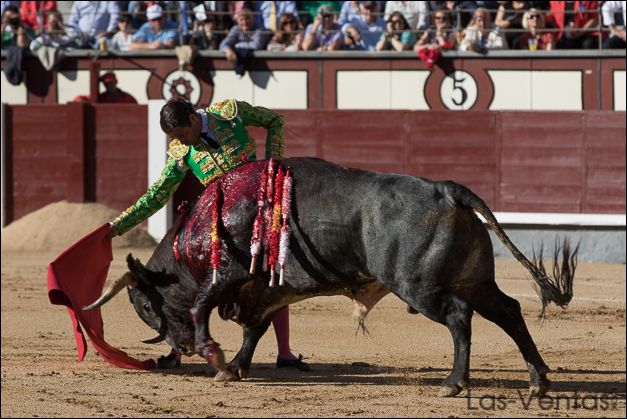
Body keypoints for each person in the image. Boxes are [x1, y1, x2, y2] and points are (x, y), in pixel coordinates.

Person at [109, 98, 310, 372]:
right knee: (189, 278)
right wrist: (119, 225)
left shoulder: (228, 114)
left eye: (182, 134)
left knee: (270, 276)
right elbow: (159, 192)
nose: (182, 142)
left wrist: (272, 164)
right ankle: (177, 349)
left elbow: (274, 120)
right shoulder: (181, 150)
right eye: (175, 138)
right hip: (220, 219)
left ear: (193, 118)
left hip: (256, 209)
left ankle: (284, 353)